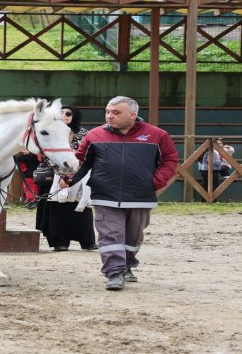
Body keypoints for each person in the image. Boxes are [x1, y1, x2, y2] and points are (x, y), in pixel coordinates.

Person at [59, 96, 178, 291]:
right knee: (110, 235)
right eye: (107, 112)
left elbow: (170, 160)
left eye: (116, 113)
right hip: (104, 194)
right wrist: (70, 178)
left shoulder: (157, 135)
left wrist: (156, 181)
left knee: (133, 237)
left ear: (133, 115)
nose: (109, 116)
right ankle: (114, 273)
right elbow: (81, 161)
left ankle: (127, 266)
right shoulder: (95, 135)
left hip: (140, 197)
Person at [35, 105, 97, 252]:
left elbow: (89, 153)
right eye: (61, 112)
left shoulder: (84, 134)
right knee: (56, 209)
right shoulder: (49, 132)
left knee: (81, 207)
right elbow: (43, 151)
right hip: (52, 174)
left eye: (68, 113)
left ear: (75, 116)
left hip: (78, 175)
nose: (64, 115)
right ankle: (59, 242)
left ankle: (87, 241)